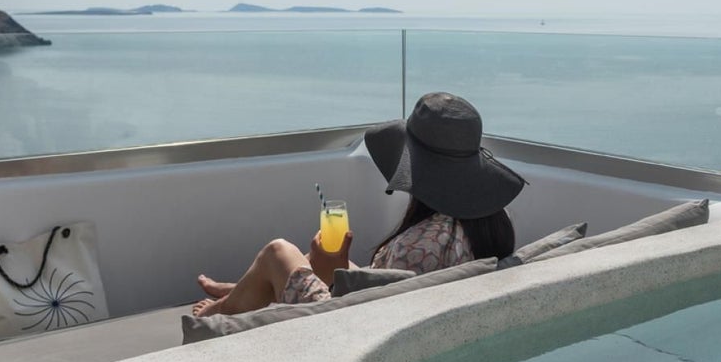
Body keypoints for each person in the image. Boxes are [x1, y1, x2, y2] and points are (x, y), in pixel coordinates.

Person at [192, 92, 527, 317]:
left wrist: (335, 274)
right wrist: (336, 266)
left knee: (278, 252)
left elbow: (372, 305)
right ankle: (243, 290)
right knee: (313, 259)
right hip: (405, 310)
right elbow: (393, 284)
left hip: (350, 323)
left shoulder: (416, 245)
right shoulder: (494, 221)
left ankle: (215, 316)